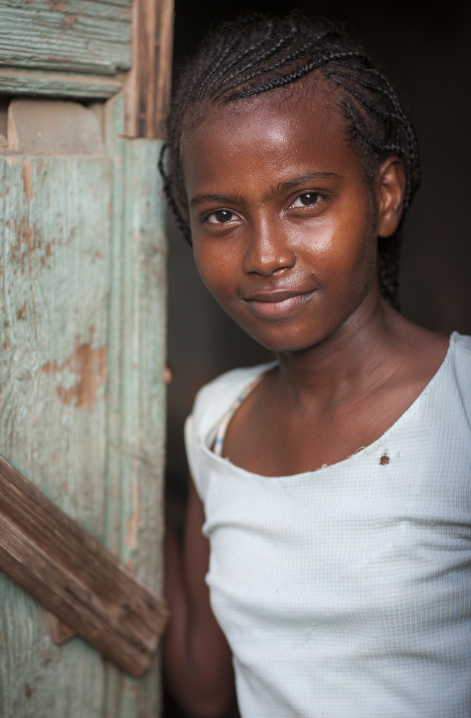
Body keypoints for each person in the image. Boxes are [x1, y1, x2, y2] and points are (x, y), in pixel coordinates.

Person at [161, 13, 471, 718]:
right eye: (221, 216)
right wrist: (118, 454)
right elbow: (204, 687)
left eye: (306, 199)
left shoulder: (461, 404)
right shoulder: (218, 422)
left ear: (384, 196)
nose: (265, 254)